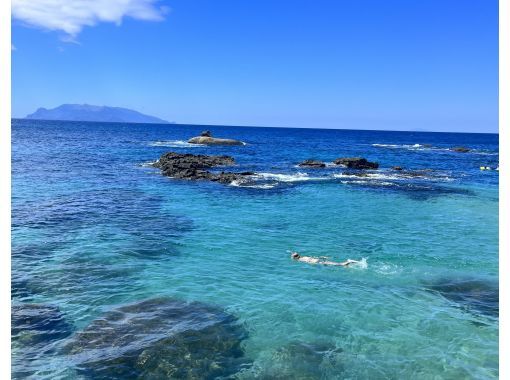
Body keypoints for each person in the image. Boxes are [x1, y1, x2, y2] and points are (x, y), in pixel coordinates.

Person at [290, 252, 359, 267]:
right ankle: (348, 264)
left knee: (338, 264)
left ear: (295, 257)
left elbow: (309, 261)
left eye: (293, 257)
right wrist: (323, 257)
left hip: (318, 263)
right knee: (335, 264)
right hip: (318, 260)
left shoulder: (300, 260)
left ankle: (349, 261)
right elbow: (313, 257)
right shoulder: (304, 256)